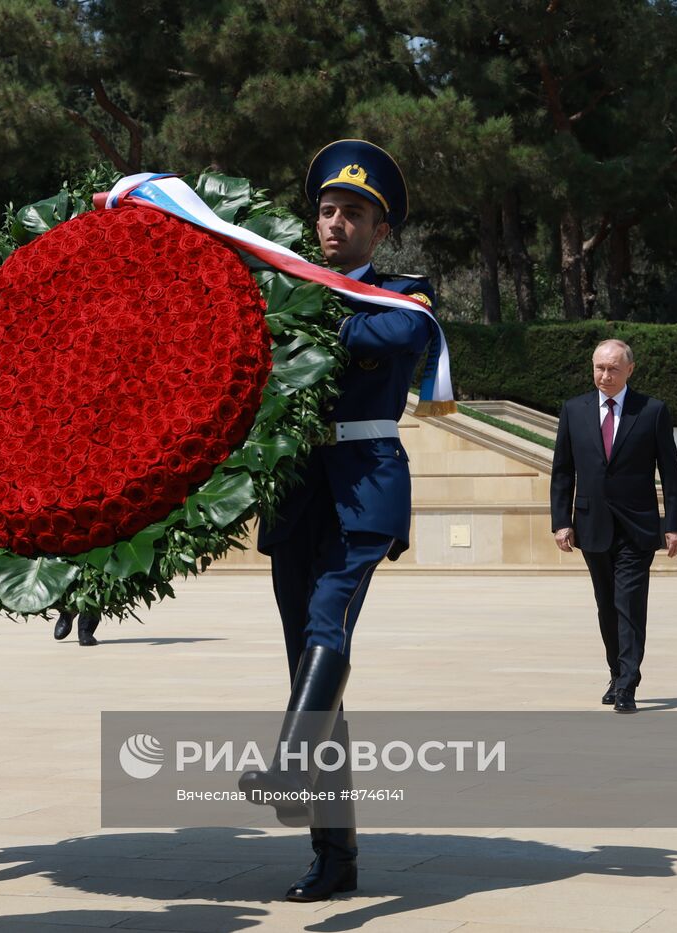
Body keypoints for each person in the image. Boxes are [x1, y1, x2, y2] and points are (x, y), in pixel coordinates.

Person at [242, 140, 444, 902]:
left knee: (330, 617)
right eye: (327, 210)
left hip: (364, 486)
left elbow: (394, 336)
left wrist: (302, 317)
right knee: (308, 669)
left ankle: (293, 764)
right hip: (298, 490)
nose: (334, 224)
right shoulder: (285, 287)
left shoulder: (403, 292)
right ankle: (336, 853)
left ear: (379, 230)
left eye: (353, 214)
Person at [550, 339, 677, 714]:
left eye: (612, 369)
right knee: (606, 606)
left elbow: (671, 473)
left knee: (629, 604)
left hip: (638, 528)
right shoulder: (574, 410)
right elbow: (562, 470)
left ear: (630, 369)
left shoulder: (652, 411)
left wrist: (675, 524)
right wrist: (561, 522)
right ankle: (615, 673)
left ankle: (628, 683)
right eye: (599, 368)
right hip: (591, 524)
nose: (604, 376)